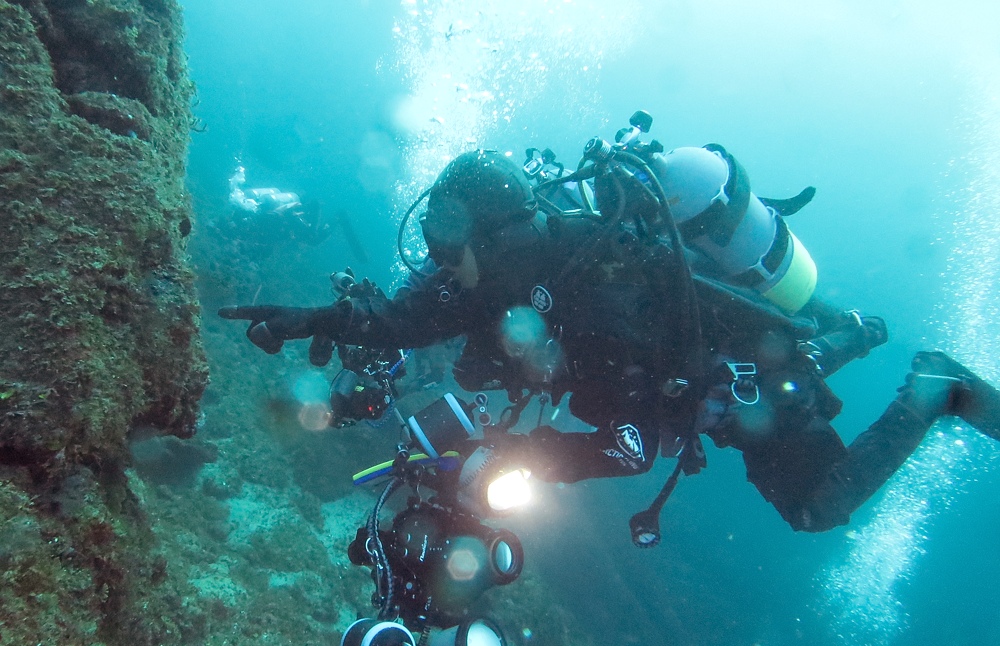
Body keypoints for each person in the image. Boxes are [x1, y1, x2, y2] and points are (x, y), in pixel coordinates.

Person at [218, 136, 1000, 537]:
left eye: (448, 231)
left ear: (493, 229)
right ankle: (858, 337)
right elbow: (410, 317)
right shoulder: (495, 272)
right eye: (432, 228)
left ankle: (934, 388)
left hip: (741, 375)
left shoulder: (591, 293)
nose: (435, 250)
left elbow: (631, 443)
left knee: (816, 508)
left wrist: (516, 457)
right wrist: (311, 319)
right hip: (688, 378)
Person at [225, 164, 331, 247]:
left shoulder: (259, 214)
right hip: (283, 215)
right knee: (313, 239)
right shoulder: (261, 215)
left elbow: (283, 211)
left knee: (312, 237)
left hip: (281, 214)